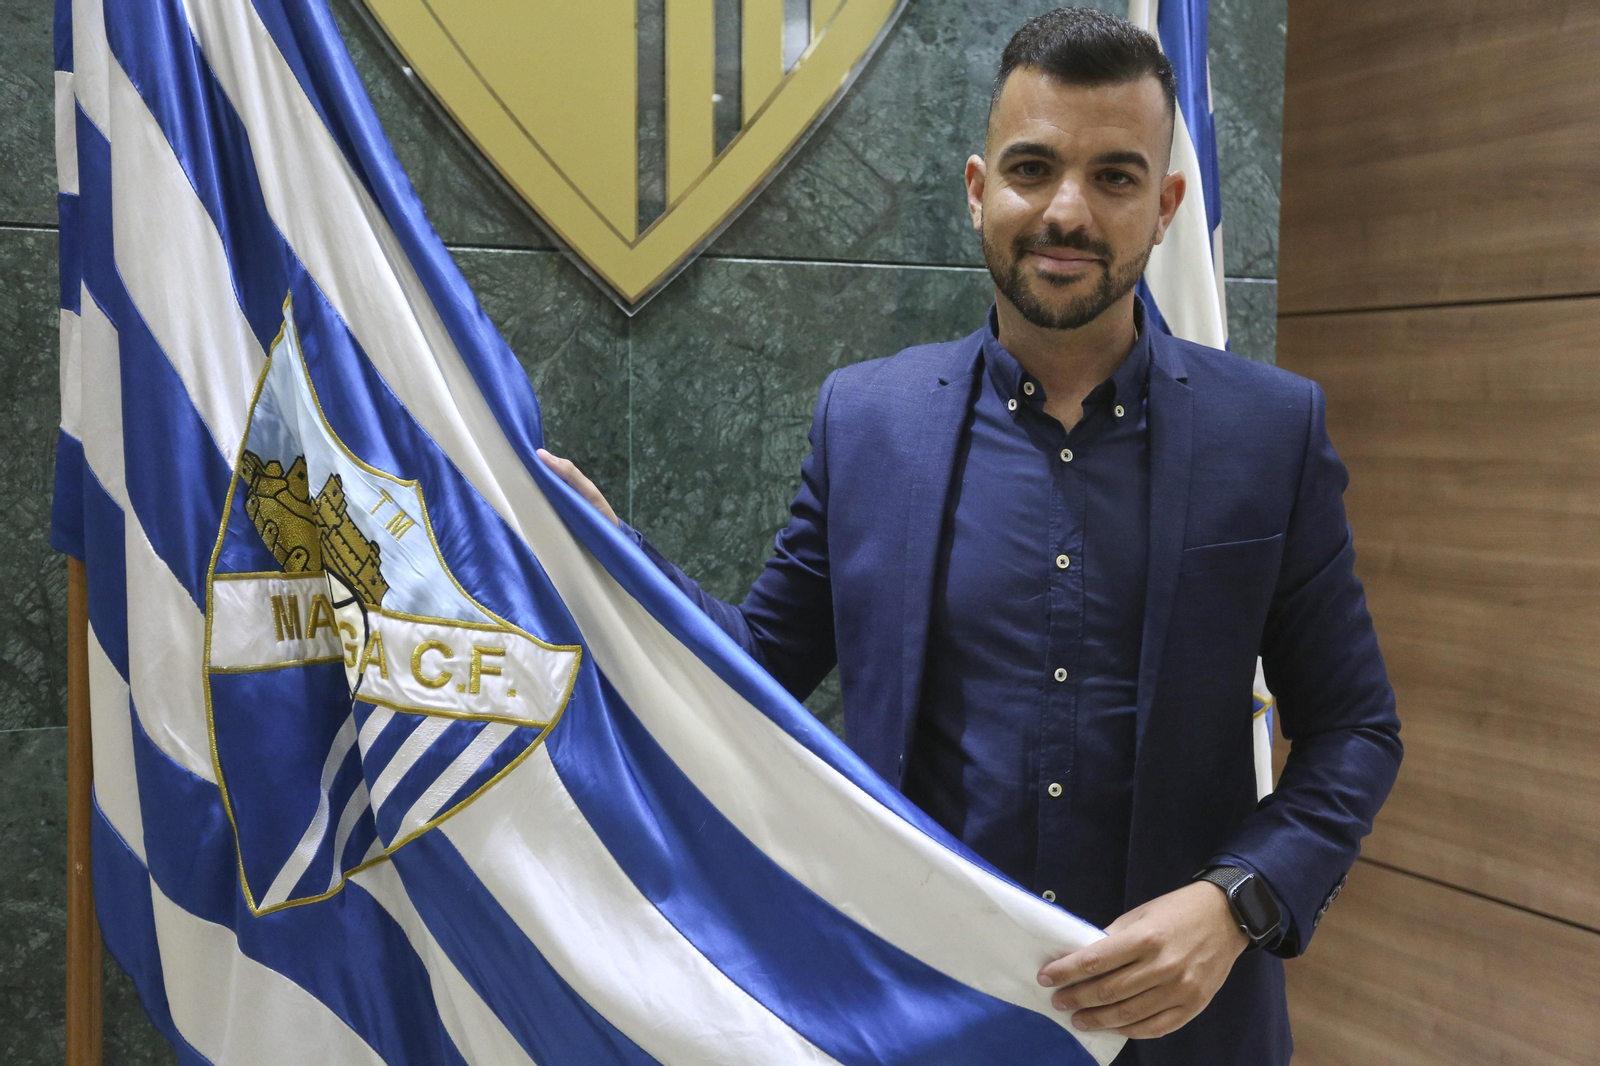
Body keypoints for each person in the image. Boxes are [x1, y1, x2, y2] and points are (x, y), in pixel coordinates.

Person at [539, 8, 1401, 1064]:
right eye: (1032, 167)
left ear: (1167, 204)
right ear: (976, 189)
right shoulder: (866, 423)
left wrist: (1235, 905)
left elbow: (1354, 728)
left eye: (1116, 177)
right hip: (911, 1013)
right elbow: (755, 669)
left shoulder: (1269, 433)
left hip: (1179, 1034)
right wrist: (609, 562)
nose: (1067, 211)